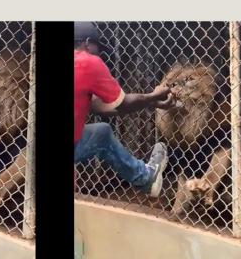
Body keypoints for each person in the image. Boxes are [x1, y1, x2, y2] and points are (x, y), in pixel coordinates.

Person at [74, 22, 176, 197]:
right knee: (102, 134)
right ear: (87, 42)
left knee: (101, 131)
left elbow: (99, 106)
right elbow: (122, 103)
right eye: (98, 48)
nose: (100, 53)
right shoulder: (87, 62)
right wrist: (154, 95)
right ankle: (146, 178)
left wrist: (148, 103)